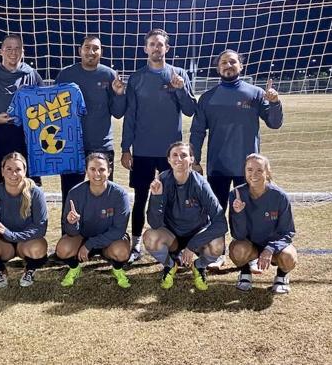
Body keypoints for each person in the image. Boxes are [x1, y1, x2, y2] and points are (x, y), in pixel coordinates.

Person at [189, 49, 283, 269]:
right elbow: (197, 132)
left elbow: (274, 123)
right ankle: (216, 253)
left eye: (232, 61)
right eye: (224, 62)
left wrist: (275, 102)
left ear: (241, 66)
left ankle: (250, 255)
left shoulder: (255, 93)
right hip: (218, 167)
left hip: (248, 169)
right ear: (218, 68)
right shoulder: (208, 97)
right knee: (216, 212)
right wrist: (195, 160)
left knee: (249, 212)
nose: (228, 65)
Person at [121, 29, 196, 263]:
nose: (156, 48)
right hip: (143, 150)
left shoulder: (179, 74)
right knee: (141, 197)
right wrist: (125, 148)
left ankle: (175, 245)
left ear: (167, 48)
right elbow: (130, 115)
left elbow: (190, 110)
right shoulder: (136, 78)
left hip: (171, 154)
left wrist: (180, 88)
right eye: (152, 44)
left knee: (174, 198)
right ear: (146, 48)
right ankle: (135, 244)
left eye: (160, 44)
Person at [55, 35, 126, 230]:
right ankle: (69, 235)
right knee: (70, 194)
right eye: (87, 47)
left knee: (105, 196)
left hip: (101, 146)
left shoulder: (109, 75)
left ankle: (105, 236)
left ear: (101, 52)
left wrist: (119, 94)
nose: (91, 52)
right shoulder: (66, 75)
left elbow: (118, 113)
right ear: (80, 50)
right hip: (71, 146)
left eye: (96, 48)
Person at [144, 142, 227, 291]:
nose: (179, 159)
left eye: (184, 155)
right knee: (150, 237)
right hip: (172, 236)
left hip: (197, 235)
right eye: (174, 155)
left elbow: (221, 223)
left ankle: (199, 266)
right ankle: (170, 265)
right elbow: (154, 224)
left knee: (218, 244)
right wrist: (156, 197)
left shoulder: (200, 184)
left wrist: (192, 245)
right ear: (169, 160)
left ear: (192, 159)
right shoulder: (162, 180)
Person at [56, 153, 132, 289]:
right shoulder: (75, 193)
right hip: (83, 236)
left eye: (102, 169)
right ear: (86, 171)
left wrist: (90, 245)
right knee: (63, 249)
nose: (97, 174)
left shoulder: (120, 194)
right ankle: (75, 268)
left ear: (109, 171)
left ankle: (117, 269)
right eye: (92, 169)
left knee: (121, 252)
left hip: (110, 239)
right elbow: (70, 231)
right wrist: (72, 223)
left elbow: (119, 230)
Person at [0, 152, 48, 288]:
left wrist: (12, 235)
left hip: (26, 242)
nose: (13, 174)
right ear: (2, 171)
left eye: (18, 169)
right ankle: (0, 270)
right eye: (9, 169)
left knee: (39, 248)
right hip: (3, 244)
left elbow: (40, 228)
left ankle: (29, 269)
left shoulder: (35, 193)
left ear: (24, 171)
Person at [228, 154, 297, 294]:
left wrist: (270, 248)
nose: (254, 174)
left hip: (274, 248)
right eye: (250, 170)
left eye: (259, 170)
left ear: (267, 172)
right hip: (250, 245)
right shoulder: (236, 194)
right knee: (237, 250)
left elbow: (287, 232)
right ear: (245, 171)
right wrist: (239, 213)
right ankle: (245, 273)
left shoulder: (280, 196)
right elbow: (238, 235)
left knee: (289, 256)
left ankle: (281, 277)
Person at [0, 34, 44, 187]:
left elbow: (45, 105)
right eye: (9, 48)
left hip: (29, 147)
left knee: (30, 191)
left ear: (23, 51)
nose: (13, 52)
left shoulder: (33, 76)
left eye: (17, 48)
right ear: (1, 51)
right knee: (0, 190)